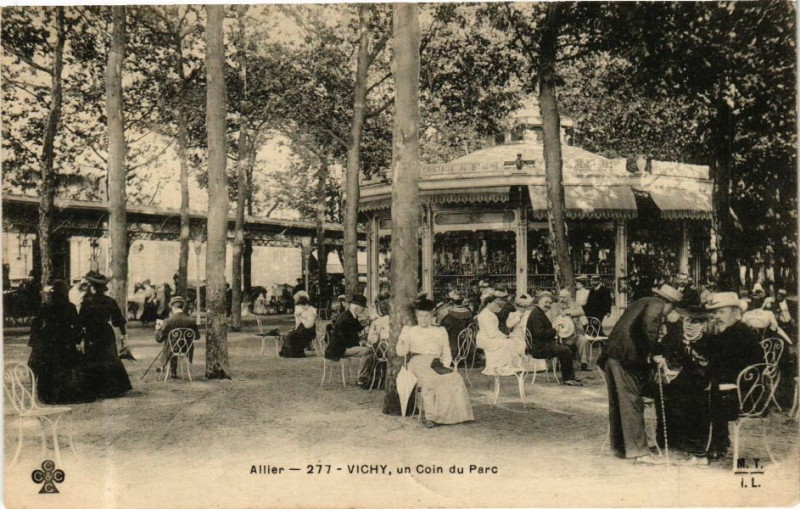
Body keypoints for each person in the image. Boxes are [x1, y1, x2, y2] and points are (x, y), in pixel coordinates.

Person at [598, 284, 682, 464]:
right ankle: (639, 452)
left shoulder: (641, 301)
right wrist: (655, 352)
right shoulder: (657, 305)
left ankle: (622, 448)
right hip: (626, 357)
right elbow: (648, 329)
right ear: (669, 304)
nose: (667, 315)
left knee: (618, 403)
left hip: (612, 355)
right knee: (632, 402)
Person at [701, 292, 765, 463]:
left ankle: (708, 444)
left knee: (697, 392)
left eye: (721, 312)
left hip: (746, 395)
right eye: (714, 313)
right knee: (705, 386)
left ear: (736, 313)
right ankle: (717, 442)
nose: (716, 317)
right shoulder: (732, 331)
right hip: (740, 388)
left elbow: (720, 362)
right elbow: (711, 351)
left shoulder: (737, 334)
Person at [396, 298, 474, 427]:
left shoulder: (440, 331)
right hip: (417, 362)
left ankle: (456, 415)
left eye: (427, 316)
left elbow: (446, 350)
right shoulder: (410, 331)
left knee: (454, 377)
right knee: (429, 379)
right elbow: (400, 353)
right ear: (416, 316)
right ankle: (430, 416)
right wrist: (402, 339)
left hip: (436, 362)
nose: (424, 319)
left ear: (432, 316)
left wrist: (446, 365)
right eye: (421, 316)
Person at [28, 280, 94, 404]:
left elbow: (35, 325)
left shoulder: (45, 306)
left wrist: (39, 339)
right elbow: (77, 326)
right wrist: (77, 339)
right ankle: (64, 394)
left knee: (49, 367)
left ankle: (48, 394)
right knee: (66, 366)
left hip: (49, 341)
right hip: (65, 341)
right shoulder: (69, 307)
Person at [79, 271, 132, 399]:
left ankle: (94, 388)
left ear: (92, 287)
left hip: (92, 333)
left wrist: (79, 338)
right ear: (104, 288)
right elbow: (118, 320)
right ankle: (113, 388)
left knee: (93, 359)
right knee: (110, 358)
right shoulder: (110, 301)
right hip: (105, 332)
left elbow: (81, 322)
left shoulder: (87, 302)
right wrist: (123, 336)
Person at [526, 292, 582, 386]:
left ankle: (570, 376)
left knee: (568, 348)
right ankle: (568, 378)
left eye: (550, 303)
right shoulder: (536, 315)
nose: (548, 305)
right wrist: (554, 330)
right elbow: (539, 333)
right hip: (539, 348)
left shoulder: (539, 312)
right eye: (546, 302)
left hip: (542, 345)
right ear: (538, 302)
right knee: (565, 350)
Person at [475, 291, 523, 376]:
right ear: (489, 303)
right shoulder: (485, 315)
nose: (497, 306)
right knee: (506, 343)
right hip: (485, 339)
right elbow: (491, 332)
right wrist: (504, 336)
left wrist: (504, 336)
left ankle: (508, 366)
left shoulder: (490, 313)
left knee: (510, 342)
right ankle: (499, 367)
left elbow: (494, 331)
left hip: (491, 337)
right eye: (495, 304)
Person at [155, 296, 199, 378]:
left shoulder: (168, 321)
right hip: (186, 348)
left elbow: (159, 339)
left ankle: (166, 368)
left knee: (169, 344)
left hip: (172, 348)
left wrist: (158, 328)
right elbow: (197, 337)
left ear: (172, 307)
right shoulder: (191, 320)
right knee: (173, 343)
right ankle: (170, 371)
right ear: (183, 306)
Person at [551, 289, 590, 371]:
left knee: (583, 340)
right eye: (560, 297)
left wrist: (570, 313)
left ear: (569, 298)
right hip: (561, 335)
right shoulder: (555, 306)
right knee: (557, 343)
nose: (562, 299)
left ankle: (584, 363)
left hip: (574, 334)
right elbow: (553, 317)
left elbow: (581, 312)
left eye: (564, 297)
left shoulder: (575, 304)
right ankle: (557, 363)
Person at [325, 294, 370, 366]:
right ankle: (363, 376)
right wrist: (361, 343)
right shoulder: (346, 319)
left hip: (339, 348)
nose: (363, 310)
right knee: (368, 351)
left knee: (368, 349)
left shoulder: (349, 315)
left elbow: (355, 328)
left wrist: (366, 323)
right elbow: (347, 341)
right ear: (357, 308)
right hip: (338, 350)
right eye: (363, 308)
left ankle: (365, 374)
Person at [280, 291, 318, 358]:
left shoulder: (311, 310)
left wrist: (301, 317)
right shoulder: (304, 310)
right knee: (291, 334)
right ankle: (288, 352)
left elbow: (309, 325)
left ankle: (293, 353)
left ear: (306, 304)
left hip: (309, 331)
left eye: (301, 305)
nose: (300, 307)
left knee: (293, 335)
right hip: (303, 329)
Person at [439, 291, 474, 359]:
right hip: (465, 343)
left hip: (453, 342)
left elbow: (444, 327)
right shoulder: (468, 311)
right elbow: (471, 325)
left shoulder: (450, 314)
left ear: (451, 302)